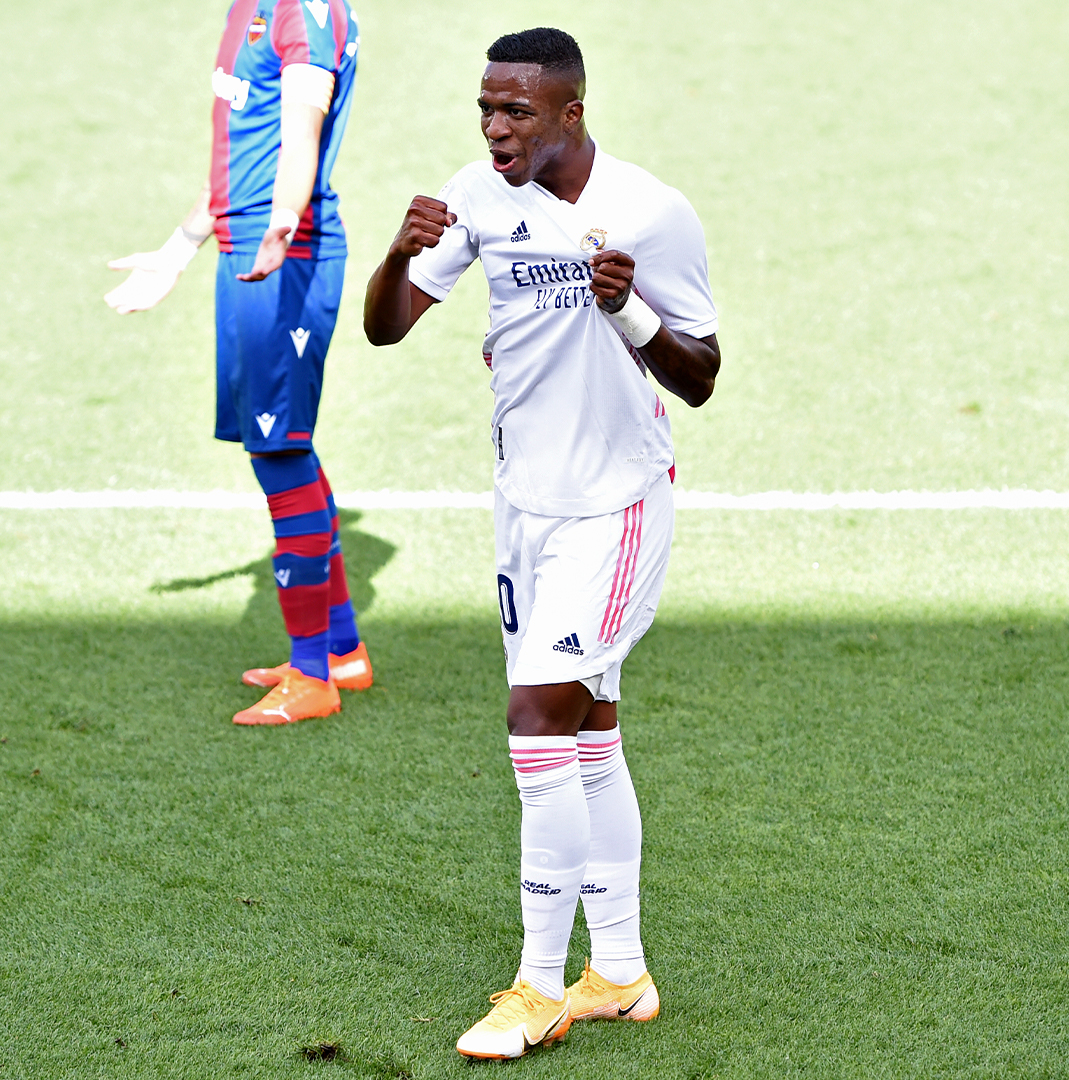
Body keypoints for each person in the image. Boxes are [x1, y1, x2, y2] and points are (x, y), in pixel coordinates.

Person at [362, 27, 721, 1061]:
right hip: (524, 504)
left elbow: (702, 374)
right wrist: (398, 252)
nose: (494, 127)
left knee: (534, 725)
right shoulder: (476, 197)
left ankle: (537, 985)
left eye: (515, 110)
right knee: (590, 733)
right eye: (486, 107)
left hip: (615, 505)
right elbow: (386, 327)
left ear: (571, 112)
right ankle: (620, 973)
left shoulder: (651, 211)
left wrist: (630, 312)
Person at [104, 0, 371, 726]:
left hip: (284, 252)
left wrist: (281, 221)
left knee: (279, 451)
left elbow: (301, 130)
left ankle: (312, 677)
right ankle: (341, 650)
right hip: (247, 243)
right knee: (285, 447)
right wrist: (176, 251)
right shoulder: (252, 8)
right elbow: (242, 152)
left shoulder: (303, 14)